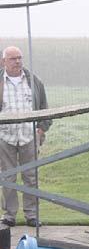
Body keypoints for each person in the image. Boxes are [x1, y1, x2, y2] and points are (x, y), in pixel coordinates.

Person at [0, 46, 51, 227]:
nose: (18, 62)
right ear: (3, 61)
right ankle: (9, 215)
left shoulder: (34, 81)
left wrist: (41, 130)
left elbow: (45, 108)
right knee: (8, 177)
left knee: (31, 176)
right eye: (13, 58)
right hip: (5, 137)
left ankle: (32, 215)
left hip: (29, 136)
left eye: (20, 58)